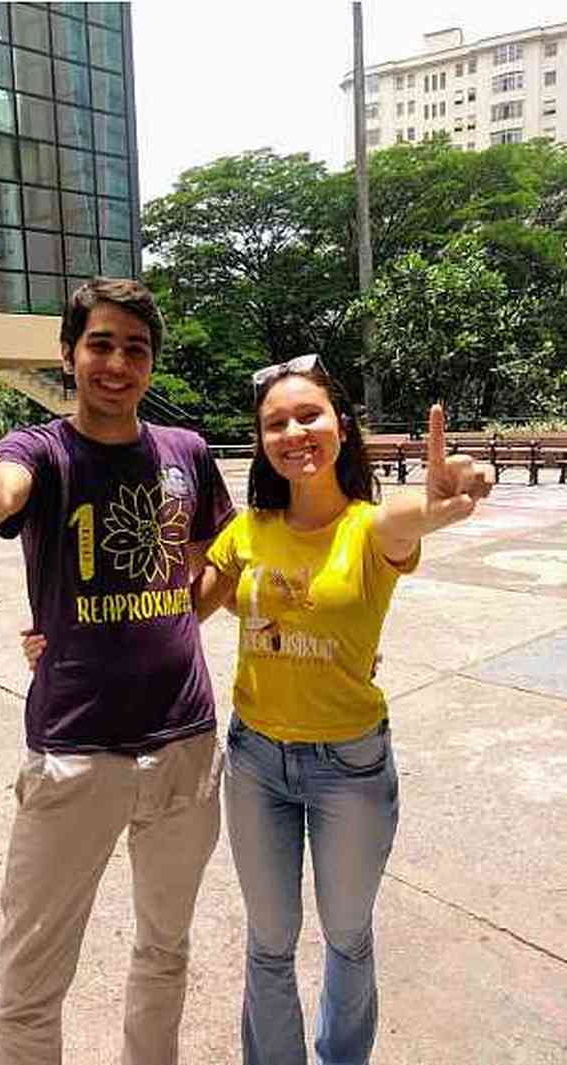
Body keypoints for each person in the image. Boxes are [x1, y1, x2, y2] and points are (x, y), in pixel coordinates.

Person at [0, 277, 235, 1065]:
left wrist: (164, 618)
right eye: (100, 343)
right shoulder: (42, 450)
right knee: (31, 986)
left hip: (185, 751)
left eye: (136, 347)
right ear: (68, 354)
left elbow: (217, 568)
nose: (117, 362)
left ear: (151, 363)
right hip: (75, 757)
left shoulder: (188, 453)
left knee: (164, 955)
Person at [191, 355, 492, 1065]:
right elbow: (181, 607)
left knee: (347, 933)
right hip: (256, 760)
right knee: (268, 941)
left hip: (349, 768)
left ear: (341, 426)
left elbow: (405, 519)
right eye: (275, 423)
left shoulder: (369, 527)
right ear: (261, 440)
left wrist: (442, 497)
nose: (294, 431)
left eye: (309, 415)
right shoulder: (249, 530)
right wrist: (69, 626)